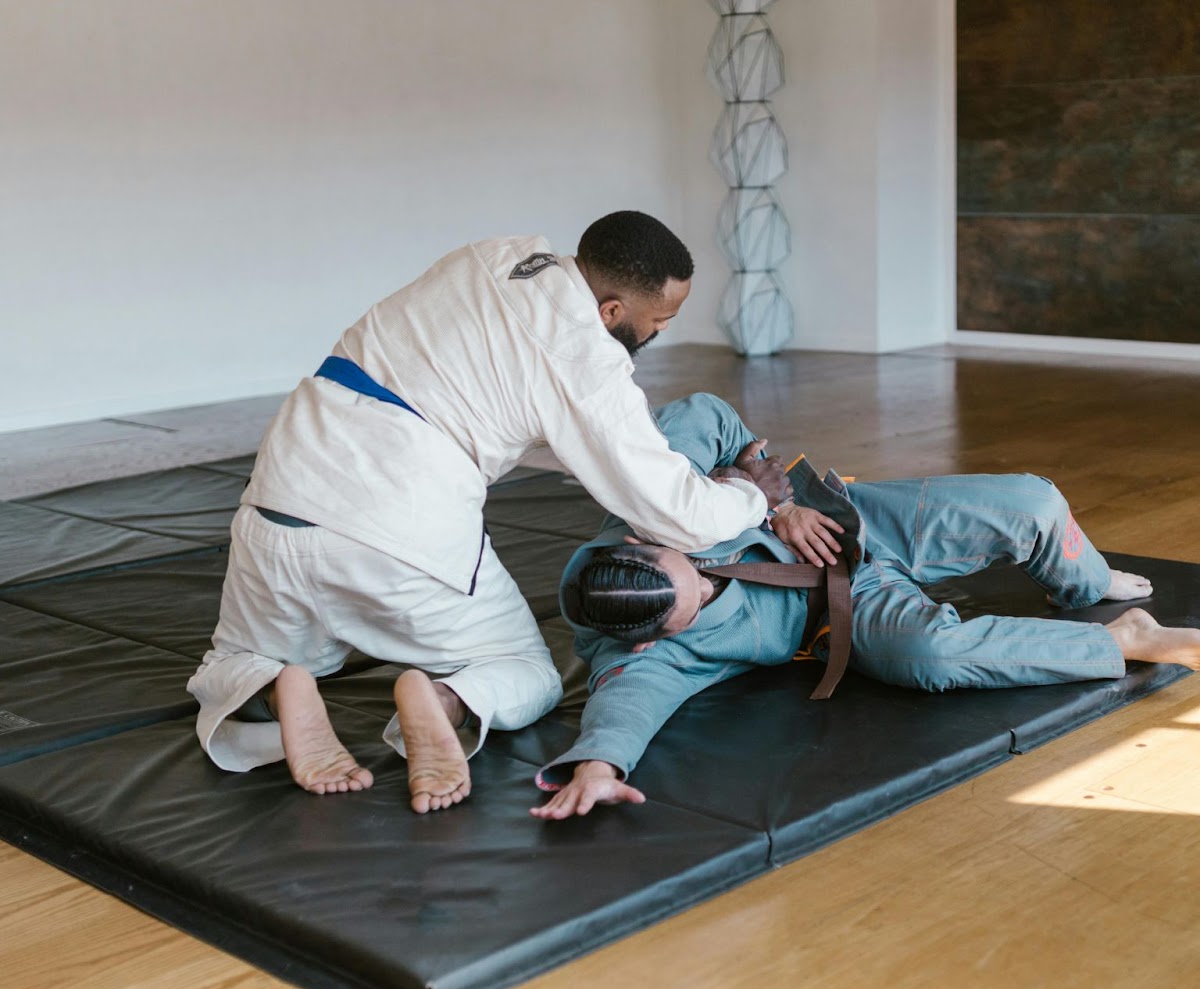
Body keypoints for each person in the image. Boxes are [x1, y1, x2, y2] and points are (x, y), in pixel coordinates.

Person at [188, 212, 790, 813]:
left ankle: (272, 684)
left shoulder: (494, 256)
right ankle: (445, 700)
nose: (658, 331)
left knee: (235, 659)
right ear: (610, 311)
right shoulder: (583, 359)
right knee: (526, 670)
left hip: (276, 499)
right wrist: (752, 495)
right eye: (659, 319)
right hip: (395, 526)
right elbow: (674, 512)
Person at [530, 393, 1200, 821]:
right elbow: (623, 709)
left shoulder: (649, 505)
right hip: (844, 610)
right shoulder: (642, 651)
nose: (708, 586)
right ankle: (1123, 640)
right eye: (700, 605)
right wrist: (598, 767)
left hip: (853, 520)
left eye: (696, 571)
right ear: (656, 641)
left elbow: (703, 413)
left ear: (647, 538)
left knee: (1033, 502)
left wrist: (777, 503)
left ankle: (1085, 581)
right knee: (931, 655)